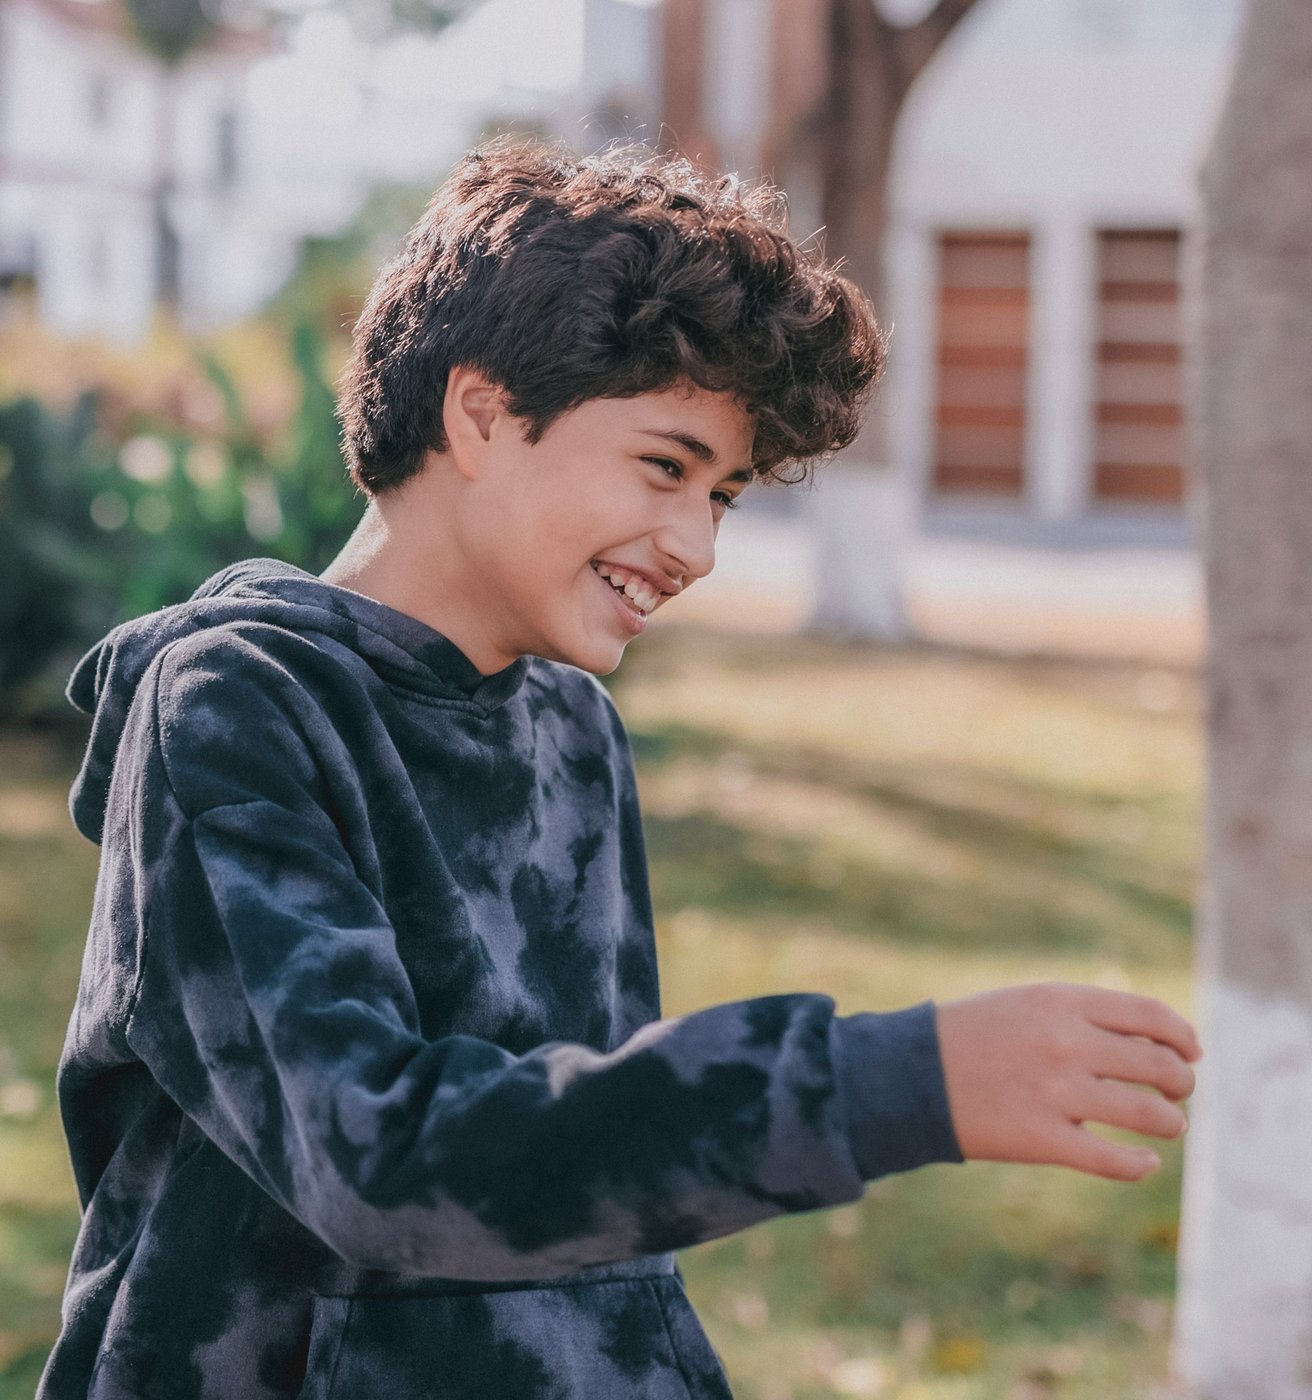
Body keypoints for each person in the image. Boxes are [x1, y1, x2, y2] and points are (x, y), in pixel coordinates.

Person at [40, 141, 1201, 1400]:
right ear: (479, 413)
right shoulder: (235, 705)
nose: (697, 543)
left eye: (728, 495)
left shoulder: (571, 728)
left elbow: (588, 1188)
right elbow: (374, 1158)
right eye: (665, 465)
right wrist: (883, 1085)